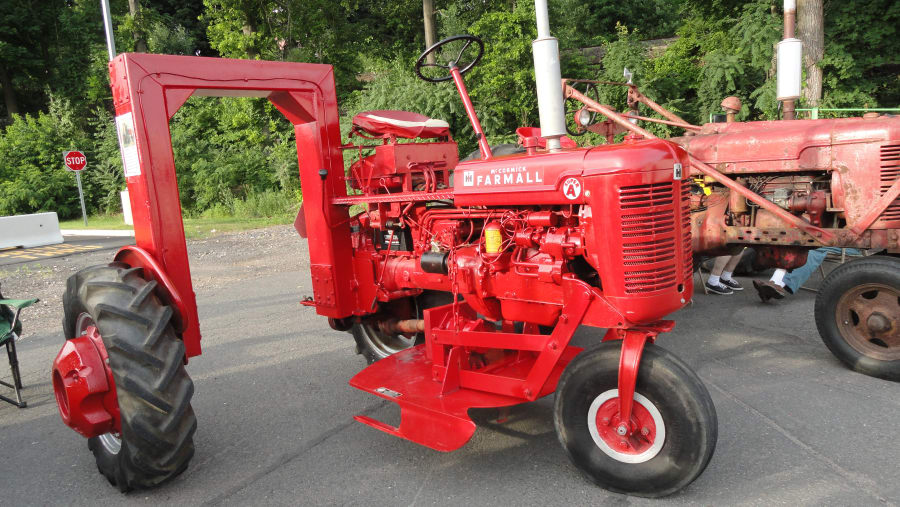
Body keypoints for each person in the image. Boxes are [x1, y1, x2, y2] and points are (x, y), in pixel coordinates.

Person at [753, 247, 861, 301]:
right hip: (828, 240)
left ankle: (775, 285)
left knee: (806, 253)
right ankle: (773, 286)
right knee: (793, 248)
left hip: (848, 245)